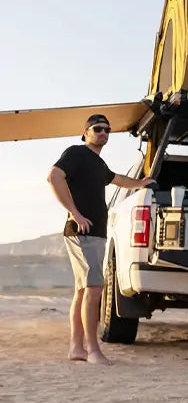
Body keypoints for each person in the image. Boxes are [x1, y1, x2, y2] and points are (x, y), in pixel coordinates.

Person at [46, 114, 155, 365]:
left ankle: (77, 348)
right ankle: (93, 350)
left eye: (107, 130)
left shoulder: (98, 164)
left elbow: (118, 179)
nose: (103, 133)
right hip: (81, 232)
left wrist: (140, 183)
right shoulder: (76, 153)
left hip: (95, 235)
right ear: (85, 132)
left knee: (83, 289)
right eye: (98, 129)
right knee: (95, 289)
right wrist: (76, 214)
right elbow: (53, 176)